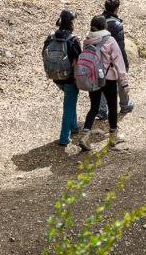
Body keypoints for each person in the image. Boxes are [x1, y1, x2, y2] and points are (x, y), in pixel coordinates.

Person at [79, 15, 129, 151]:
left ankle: (85, 135)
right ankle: (113, 137)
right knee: (112, 107)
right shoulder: (110, 40)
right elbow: (119, 62)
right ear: (105, 27)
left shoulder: (87, 41)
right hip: (109, 80)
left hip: (93, 78)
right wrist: (124, 82)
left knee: (94, 107)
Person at [44, 10, 83, 146]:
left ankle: (74, 127)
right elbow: (78, 61)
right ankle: (64, 137)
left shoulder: (51, 37)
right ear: (71, 22)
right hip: (70, 79)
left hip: (56, 76)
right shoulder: (73, 40)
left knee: (70, 102)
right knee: (69, 106)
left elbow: (44, 54)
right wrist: (80, 79)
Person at [101, 0, 134, 115]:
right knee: (121, 79)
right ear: (116, 9)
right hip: (115, 57)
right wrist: (124, 62)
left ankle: (102, 109)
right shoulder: (116, 24)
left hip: (102, 58)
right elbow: (120, 46)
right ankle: (125, 105)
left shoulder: (99, 21)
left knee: (103, 82)